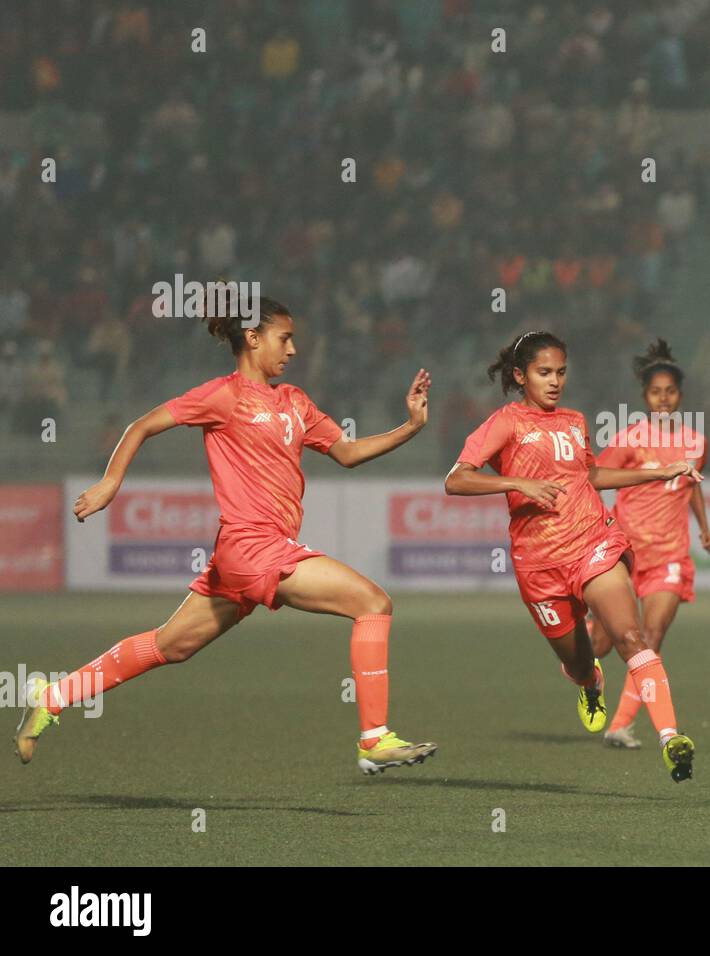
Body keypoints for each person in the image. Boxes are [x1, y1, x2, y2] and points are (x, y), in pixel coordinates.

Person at [15, 298, 437, 775]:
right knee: (373, 604)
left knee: (169, 646)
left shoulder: (295, 401)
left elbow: (348, 452)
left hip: (242, 558)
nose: (294, 349)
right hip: (252, 547)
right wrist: (111, 482)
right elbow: (142, 425)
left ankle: (55, 695)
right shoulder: (223, 396)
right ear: (253, 338)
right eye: (285, 338)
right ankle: (374, 739)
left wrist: (411, 426)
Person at [444, 330, 700, 781]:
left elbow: (592, 475)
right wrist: (517, 483)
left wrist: (658, 472)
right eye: (544, 373)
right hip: (539, 564)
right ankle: (589, 682)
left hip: (592, 542)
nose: (555, 381)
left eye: (561, 372)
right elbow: (457, 480)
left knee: (632, 636)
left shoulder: (574, 421)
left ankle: (669, 737)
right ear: (521, 376)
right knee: (580, 661)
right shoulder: (506, 423)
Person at [588, 339, 710, 749]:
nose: (664, 398)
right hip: (625, 556)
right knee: (602, 646)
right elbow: (593, 478)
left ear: (680, 396)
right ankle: (585, 650)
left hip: (670, 557)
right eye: (656, 391)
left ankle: (619, 726)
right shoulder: (628, 440)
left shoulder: (696, 443)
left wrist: (704, 527)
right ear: (645, 396)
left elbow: (691, 485)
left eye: (671, 391)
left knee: (651, 635)